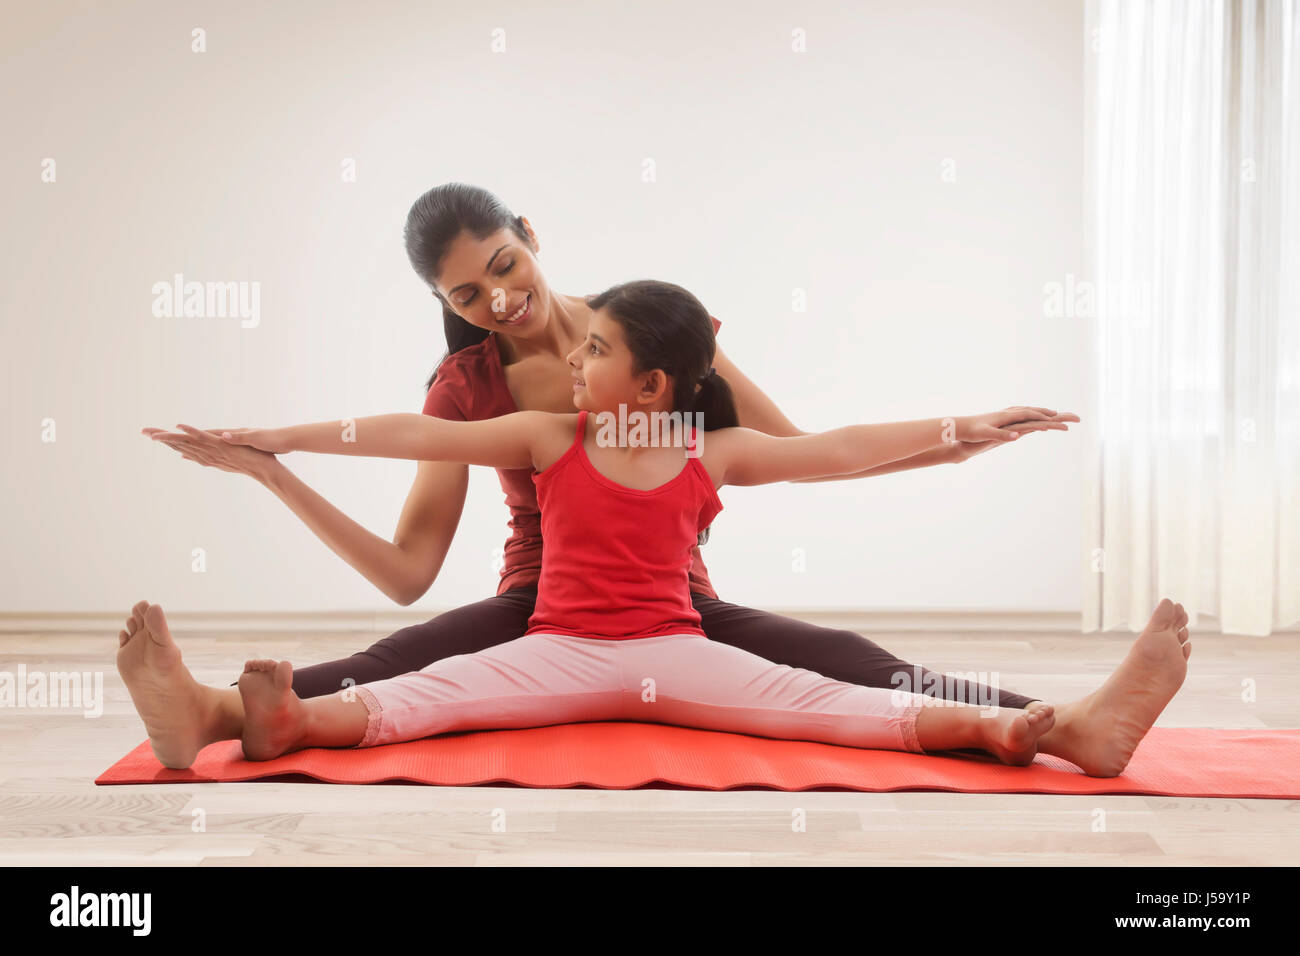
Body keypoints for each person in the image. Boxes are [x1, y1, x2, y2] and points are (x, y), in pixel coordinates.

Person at [128, 280, 1192, 773]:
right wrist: (279, 437)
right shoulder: (546, 434)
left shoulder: (703, 446)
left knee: (840, 696)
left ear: (648, 378)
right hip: (553, 645)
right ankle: (268, 720)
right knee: (413, 686)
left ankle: (1032, 725)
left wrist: (964, 425)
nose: (571, 358)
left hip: (678, 647)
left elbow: (841, 446)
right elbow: (404, 431)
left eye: (593, 349)